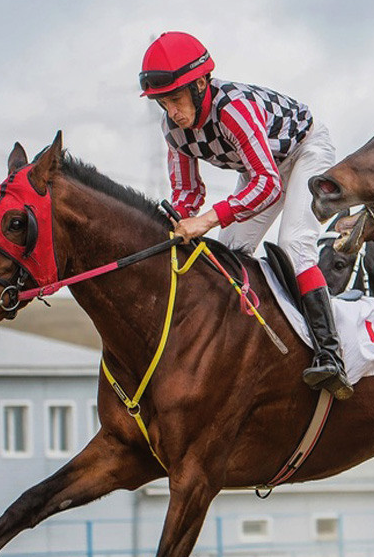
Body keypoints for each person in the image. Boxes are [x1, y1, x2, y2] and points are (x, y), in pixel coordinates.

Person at [138, 31, 353, 399]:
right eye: (162, 103)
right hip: (261, 169)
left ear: (201, 84)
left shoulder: (233, 110)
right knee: (229, 253)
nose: (171, 111)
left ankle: (331, 355)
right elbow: (188, 194)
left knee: (294, 244)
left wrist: (205, 220)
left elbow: (268, 185)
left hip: (305, 151)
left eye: (175, 99)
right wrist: (177, 224)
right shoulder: (173, 131)